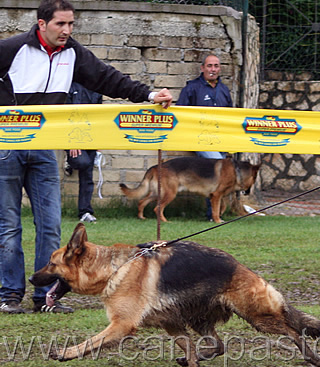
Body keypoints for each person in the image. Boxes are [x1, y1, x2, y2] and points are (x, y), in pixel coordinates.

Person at [0, 0, 173, 315]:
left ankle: (45, 298)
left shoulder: (73, 53)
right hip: (6, 147)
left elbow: (108, 78)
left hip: (45, 145)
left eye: (71, 25)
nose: (67, 31)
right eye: (60, 24)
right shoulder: (11, 49)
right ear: (41, 24)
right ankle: (10, 295)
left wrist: (148, 95)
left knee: (51, 225)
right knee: (9, 225)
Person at [176, 54, 233, 220]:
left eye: (216, 66)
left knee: (219, 176)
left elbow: (231, 115)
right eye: (209, 66)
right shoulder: (192, 88)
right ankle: (212, 215)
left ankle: (215, 213)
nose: (213, 69)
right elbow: (181, 112)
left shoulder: (224, 89)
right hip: (201, 139)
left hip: (221, 140)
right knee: (218, 169)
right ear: (202, 68)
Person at [65, 82, 102, 223]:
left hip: (89, 136)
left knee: (87, 174)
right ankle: (69, 161)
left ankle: (85, 211)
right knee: (83, 162)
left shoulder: (97, 88)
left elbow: (99, 116)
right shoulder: (70, 85)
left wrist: (98, 144)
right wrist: (72, 141)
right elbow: (65, 115)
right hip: (71, 136)